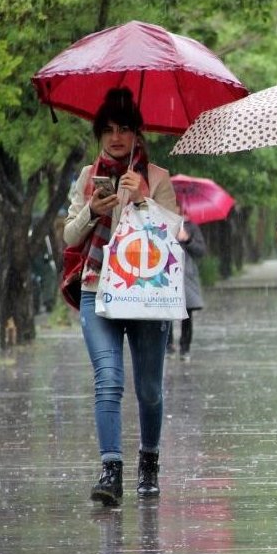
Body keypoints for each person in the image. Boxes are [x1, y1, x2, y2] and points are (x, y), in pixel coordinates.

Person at [62, 87, 176, 506]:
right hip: (98, 289)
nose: (115, 137)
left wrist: (143, 199)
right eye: (108, 129)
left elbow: (173, 236)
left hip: (148, 297)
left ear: (137, 135)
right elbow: (69, 236)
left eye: (124, 129)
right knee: (108, 381)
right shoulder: (87, 178)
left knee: (148, 389)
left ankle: (149, 460)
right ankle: (111, 470)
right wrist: (93, 209)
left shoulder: (159, 178)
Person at [166, 211, 207, 359]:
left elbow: (201, 250)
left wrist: (187, 239)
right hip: (167, 273)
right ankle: (168, 345)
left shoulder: (192, 227)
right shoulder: (163, 224)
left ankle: (185, 347)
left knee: (187, 312)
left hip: (186, 276)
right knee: (165, 309)